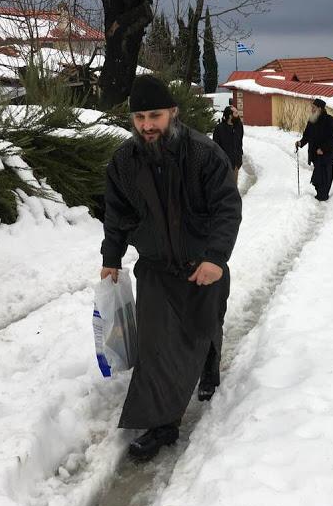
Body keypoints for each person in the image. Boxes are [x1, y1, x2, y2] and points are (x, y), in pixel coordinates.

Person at [100, 75, 242, 461]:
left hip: (203, 264)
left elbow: (227, 209)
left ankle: (210, 365)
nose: (147, 124)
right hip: (158, 267)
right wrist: (111, 258)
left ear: (173, 113)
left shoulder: (203, 154)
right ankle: (161, 426)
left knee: (203, 324)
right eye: (140, 117)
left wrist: (216, 258)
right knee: (157, 345)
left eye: (155, 115)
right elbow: (117, 215)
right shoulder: (125, 162)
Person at [295, 98, 333, 201]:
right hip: (315, 154)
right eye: (312, 107)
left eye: (313, 107)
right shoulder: (312, 119)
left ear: (320, 108)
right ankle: (320, 195)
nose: (311, 109)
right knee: (318, 177)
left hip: (326, 154)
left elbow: (332, 137)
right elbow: (307, 135)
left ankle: (323, 196)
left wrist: (323, 148)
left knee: (326, 177)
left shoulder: (329, 120)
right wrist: (301, 143)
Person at [212, 105, 244, 183]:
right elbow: (216, 148)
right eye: (236, 113)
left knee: (233, 187)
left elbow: (239, 142)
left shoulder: (239, 126)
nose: (238, 115)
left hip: (236, 162)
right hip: (223, 165)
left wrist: (239, 158)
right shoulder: (219, 129)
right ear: (230, 116)